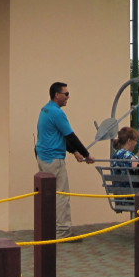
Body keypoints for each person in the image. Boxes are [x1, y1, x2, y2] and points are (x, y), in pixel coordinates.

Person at [35, 81, 94, 239]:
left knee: (47, 196)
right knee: (61, 196)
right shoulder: (57, 113)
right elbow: (70, 136)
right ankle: (63, 232)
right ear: (57, 95)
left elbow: (58, 135)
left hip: (42, 157)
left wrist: (74, 151)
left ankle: (47, 231)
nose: (68, 97)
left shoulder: (45, 109)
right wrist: (87, 154)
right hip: (54, 160)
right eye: (66, 94)